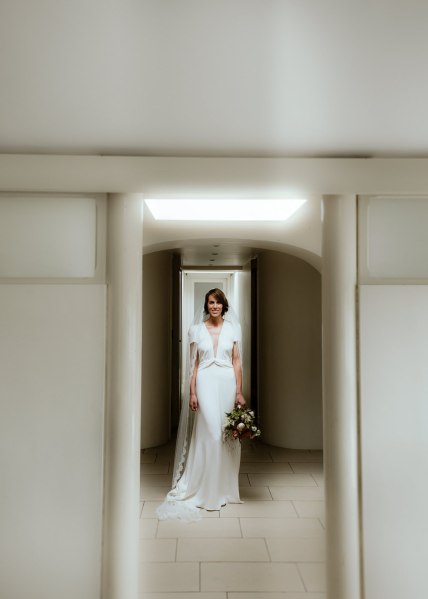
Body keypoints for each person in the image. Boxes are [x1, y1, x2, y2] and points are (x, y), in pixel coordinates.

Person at [156, 288, 246, 521]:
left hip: (227, 382)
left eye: (217, 302)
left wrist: (239, 391)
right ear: (206, 306)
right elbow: (192, 365)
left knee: (225, 434)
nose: (214, 306)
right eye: (210, 302)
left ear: (224, 305)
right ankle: (204, 490)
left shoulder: (233, 328)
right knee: (211, 433)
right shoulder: (196, 330)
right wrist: (192, 392)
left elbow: (237, 362)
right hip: (205, 382)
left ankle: (222, 489)